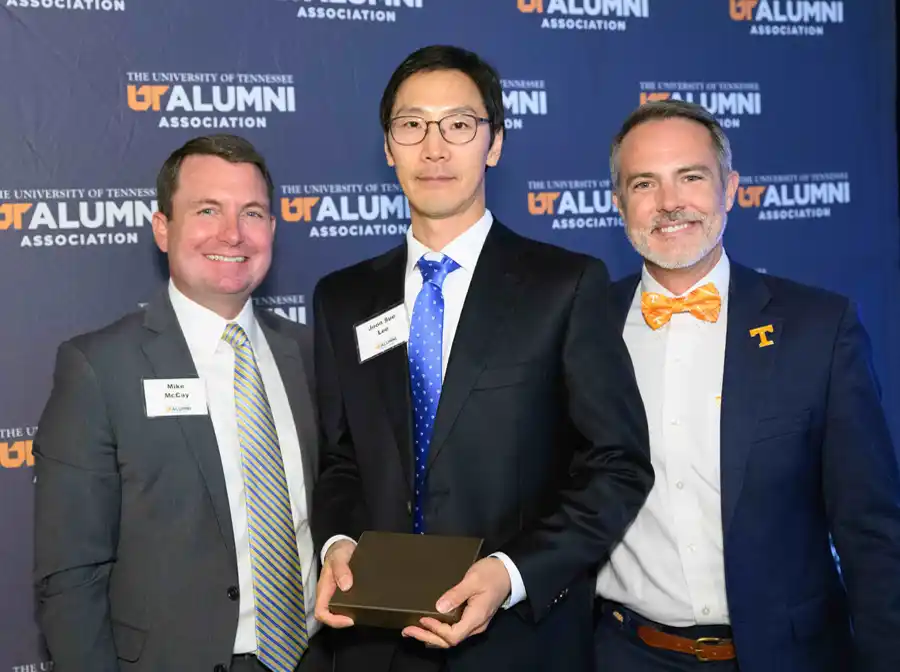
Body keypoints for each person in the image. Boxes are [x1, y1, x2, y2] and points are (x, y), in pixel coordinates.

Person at [310, 44, 654, 672]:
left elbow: (619, 465)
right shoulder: (342, 298)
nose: (434, 148)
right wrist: (336, 542)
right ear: (388, 147)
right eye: (411, 125)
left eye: (459, 125)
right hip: (373, 642)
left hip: (518, 642)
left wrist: (510, 573)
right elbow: (340, 459)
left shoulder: (565, 286)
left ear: (493, 143)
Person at [594, 99, 900, 672]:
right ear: (618, 204)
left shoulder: (819, 329)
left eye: (691, 177)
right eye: (644, 184)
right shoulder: (583, 327)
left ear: (730, 187)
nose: (669, 204)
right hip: (624, 656)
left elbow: (871, 533)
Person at [33, 134, 329, 672]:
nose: (232, 234)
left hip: (315, 657)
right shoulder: (99, 368)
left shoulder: (310, 354)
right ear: (163, 228)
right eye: (207, 210)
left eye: (253, 213)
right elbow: (71, 577)